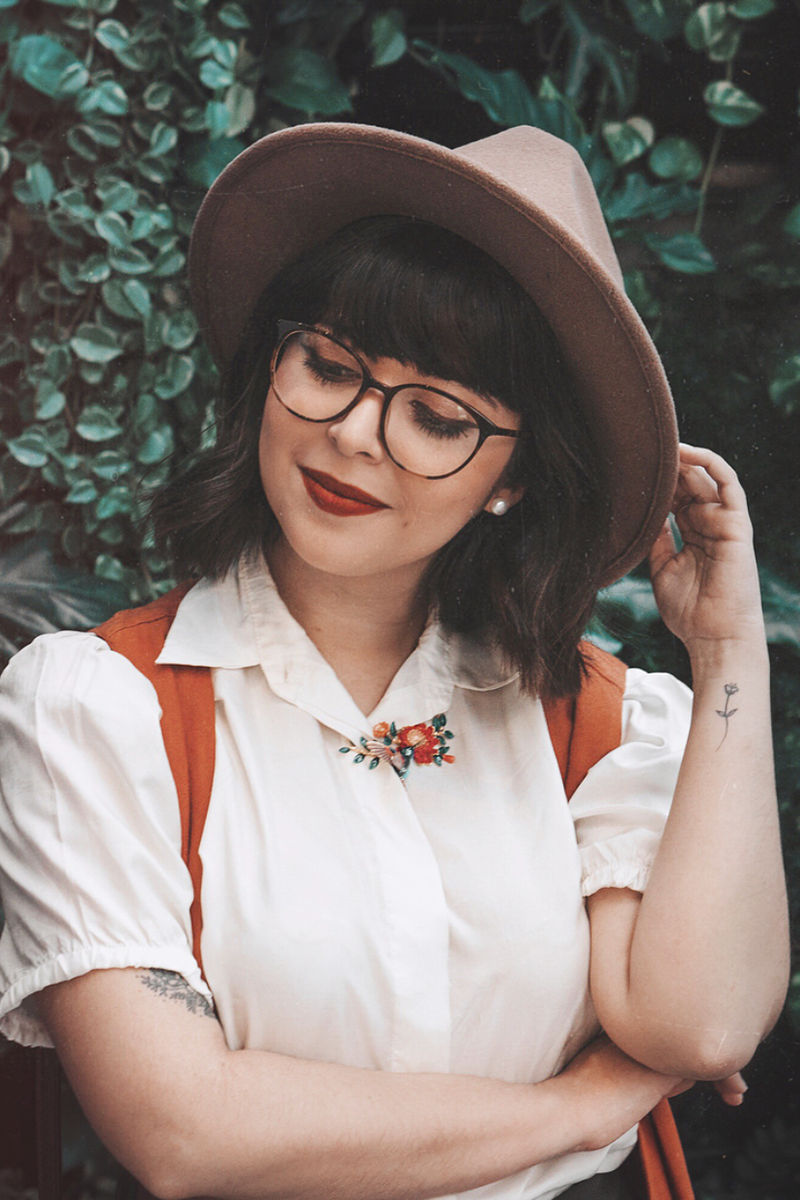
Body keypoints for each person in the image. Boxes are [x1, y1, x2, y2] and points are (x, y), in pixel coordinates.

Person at [0, 124, 789, 1200]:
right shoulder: (101, 707)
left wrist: (725, 645)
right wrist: (584, 1103)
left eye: (435, 416)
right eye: (328, 366)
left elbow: (695, 1020)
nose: (358, 434)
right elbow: (180, 1131)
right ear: (269, 367)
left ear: (508, 479)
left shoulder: (590, 721)